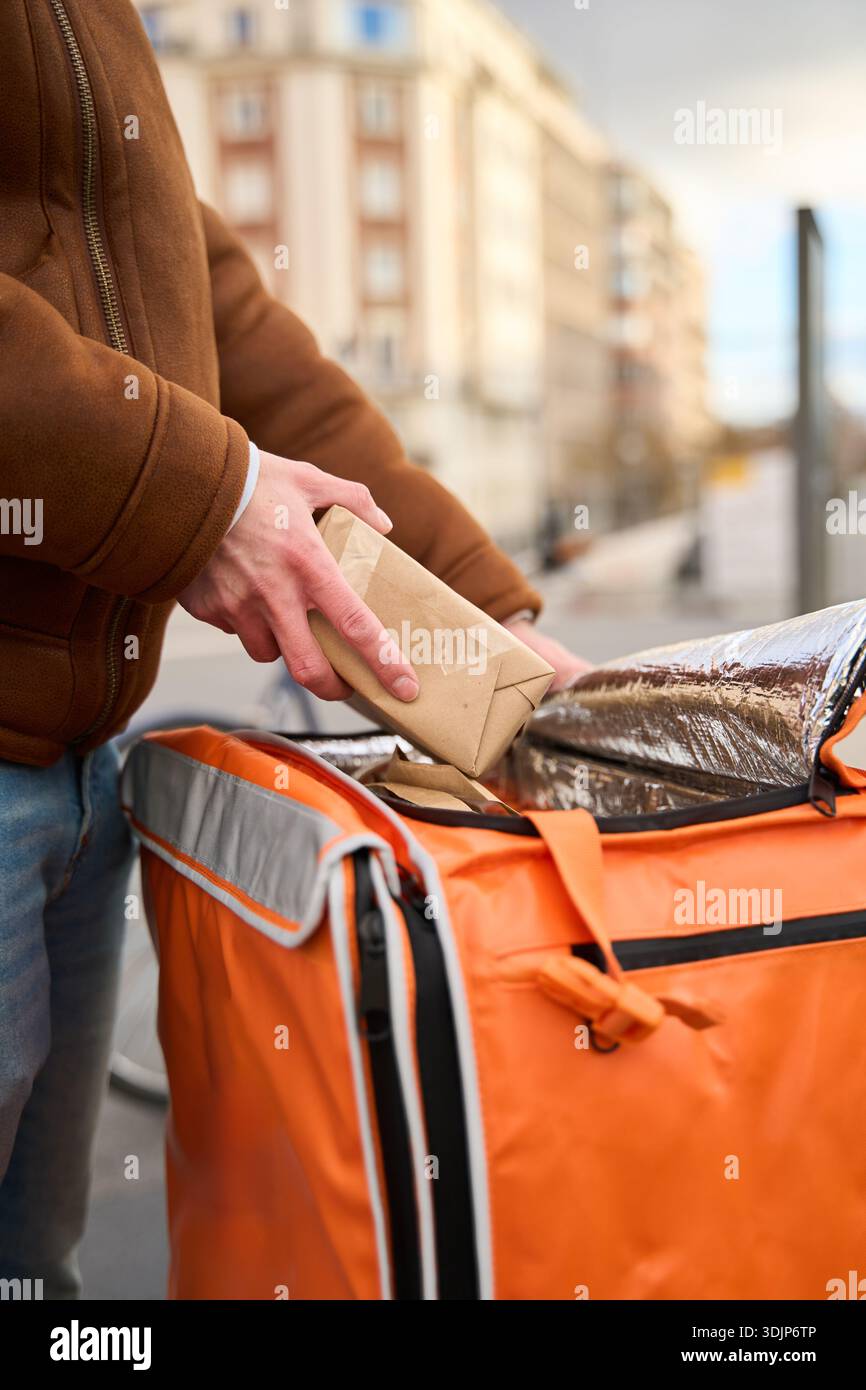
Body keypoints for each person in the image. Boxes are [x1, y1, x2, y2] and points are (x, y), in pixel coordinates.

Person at [0, 0, 586, 1299]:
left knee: (30, 1270)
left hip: (76, 765)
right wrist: (194, 496)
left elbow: (214, 324)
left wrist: (483, 627)